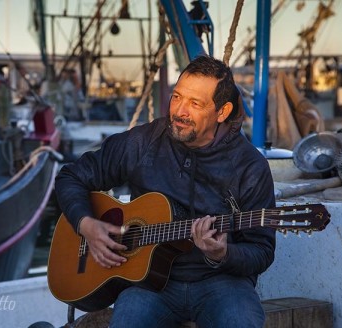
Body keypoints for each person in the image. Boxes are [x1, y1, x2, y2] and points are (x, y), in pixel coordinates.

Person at [54, 55, 276, 328]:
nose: (180, 111)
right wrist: (85, 224)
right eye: (176, 97)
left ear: (222, 111)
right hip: (148, 286)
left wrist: (222, 254)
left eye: (195, 103)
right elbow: (71, 176)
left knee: (240, 322)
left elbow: (262, 251)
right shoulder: (144, 141)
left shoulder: (249, 167)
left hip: (222, 284)